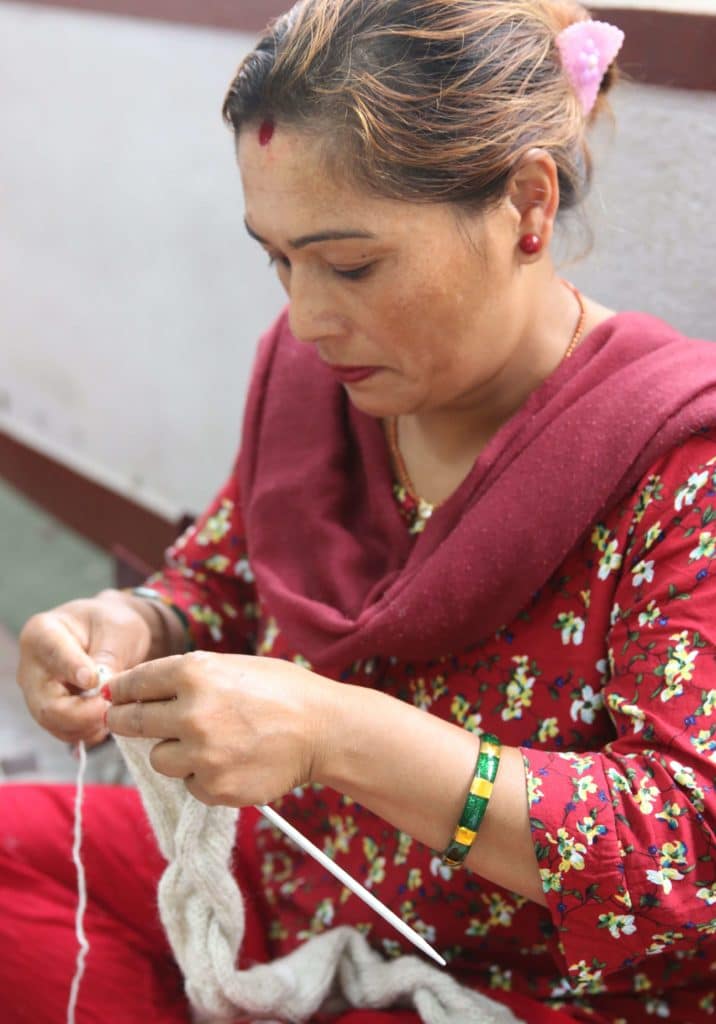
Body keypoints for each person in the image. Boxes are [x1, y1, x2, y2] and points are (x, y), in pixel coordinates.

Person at [2, 1, 715, 1021]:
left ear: (524, 204)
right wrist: (127, 628)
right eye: (277, 259)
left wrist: (335, 732)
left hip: (522, 984)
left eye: (350, 265)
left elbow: (681, 854)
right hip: (307, 899)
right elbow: (223, 578)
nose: (305, 317)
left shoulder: (677, 460)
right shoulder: (320, 390)